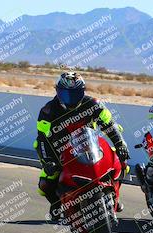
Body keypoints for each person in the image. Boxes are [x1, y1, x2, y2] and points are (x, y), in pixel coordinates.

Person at [34, 72, 129, 220]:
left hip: (91, 146)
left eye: (75, 94)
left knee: (122, 163)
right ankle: (57, 204)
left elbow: (110, 125)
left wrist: (120, 144)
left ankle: (114, 197)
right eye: (66, 94)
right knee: (45, 183)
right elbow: (42, 138)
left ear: (83, 92)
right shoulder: (48, 110)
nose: (70, 98)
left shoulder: (94, 104)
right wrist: (48, 161)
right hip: (61, 151)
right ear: (58, 92)